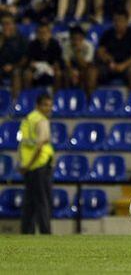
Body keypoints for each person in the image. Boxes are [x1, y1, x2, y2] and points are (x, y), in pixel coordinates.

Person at [18, 93, 54, 234]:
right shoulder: (41, 120)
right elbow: (39, 147)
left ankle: (26, 232)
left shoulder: (28, 119)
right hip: (39, 166)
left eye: (50, 105)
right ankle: (46, 233)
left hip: (29, 167)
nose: (48, 108)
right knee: (43, 202)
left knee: (30, 203)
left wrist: (24, 165)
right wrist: (28, 165)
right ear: (38, 105)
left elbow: (23, 144)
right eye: (45, 105)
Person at [88, 9, 131, 91]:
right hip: (109, 66)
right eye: (115, 20)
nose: (118, 23)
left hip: (126, 67)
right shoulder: (107, 34)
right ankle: (90, 100)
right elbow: (100, 52)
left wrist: (123, 65)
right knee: (92, 72)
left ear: (126, 21)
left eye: (120, 20)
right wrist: (109, 61)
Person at [24, 22, 64, 91]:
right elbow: (29, 61)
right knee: (27, 73)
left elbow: (59, 61)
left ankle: (56, 95)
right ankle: (29, 95)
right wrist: (32, 64)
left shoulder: (55, 44)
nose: (43, 35)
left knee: (58, 73)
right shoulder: (33, 44)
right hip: (37, 70)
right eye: (40, 33)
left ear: (50, 33)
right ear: (37, 34)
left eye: (45, 33)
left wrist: (55, 65)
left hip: (51, 69)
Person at [0, 12, 28, 98]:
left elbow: (25, 59)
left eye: (8, 24)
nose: (6, 27)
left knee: (16, 73)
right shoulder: (1, 38)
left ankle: (15, 103)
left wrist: (13, 66)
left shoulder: (21, 39)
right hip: (2, 67)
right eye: (3, 24)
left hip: (17, 67)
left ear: (14, 25)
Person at [63, 26, 94, 94]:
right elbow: (67, 63)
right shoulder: (66, 45)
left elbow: (85, 65)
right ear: (70, 38)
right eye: (74, 39)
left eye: (79, 39)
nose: (76, 41)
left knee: (88, 74)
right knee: (66, 74)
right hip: (72, 67)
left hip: (86, 67)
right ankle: (67, 96)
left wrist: (78, 53)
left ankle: (88, 98)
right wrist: (73, 72)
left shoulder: (89, 46)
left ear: (83, 38)